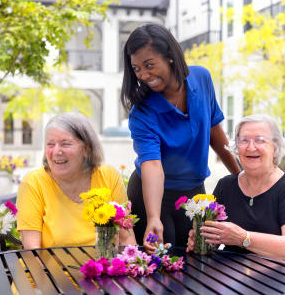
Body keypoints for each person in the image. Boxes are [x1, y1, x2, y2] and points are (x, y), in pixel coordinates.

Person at [121, 23, 240, 253]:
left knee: (196, 261)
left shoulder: (202, 79)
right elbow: (153, 164)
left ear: (170, 56)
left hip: (193, 193)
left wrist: (240, 175)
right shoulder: (142, 112)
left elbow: (215, 134)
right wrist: (154, 217)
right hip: (152, 196)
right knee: (157, 268)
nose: (144, 75)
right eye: (136, 69)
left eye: (149, 65)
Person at [187, 114, 285, 295]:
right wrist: (203, 239)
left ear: (275, 147)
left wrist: (243, 238)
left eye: (260, 140)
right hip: (238, 275)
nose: (251, 147)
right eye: (244, 141)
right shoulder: (225, 185)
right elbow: (216, 237)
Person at [16, 113, 136, 249]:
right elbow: (32, 253)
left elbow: (127, 240)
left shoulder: (108, 175)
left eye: (65, 144)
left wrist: (131, 266)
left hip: (105, 268)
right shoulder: (34, 182)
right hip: (51, 270)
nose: (56, 151)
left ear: (86, 149)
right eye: (50, 144)